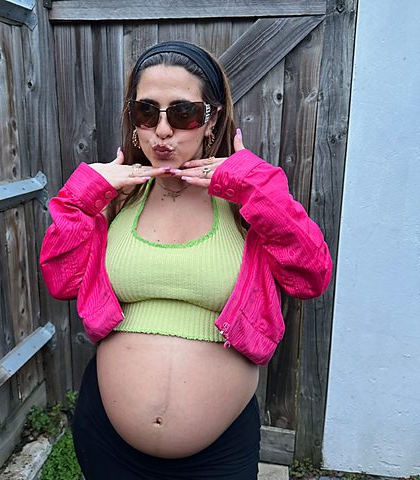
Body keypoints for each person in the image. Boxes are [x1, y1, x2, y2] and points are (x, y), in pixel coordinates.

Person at [40, 41, 332, 480]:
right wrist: (83, 197)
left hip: (217, 454)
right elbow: (62, 281)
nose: (162, 130)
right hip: (108, 443)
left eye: (181, 113)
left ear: (211, 119)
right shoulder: (119, 199)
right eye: (146, 112)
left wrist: (253, 186)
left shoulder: (245, 202)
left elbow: (310, 277)